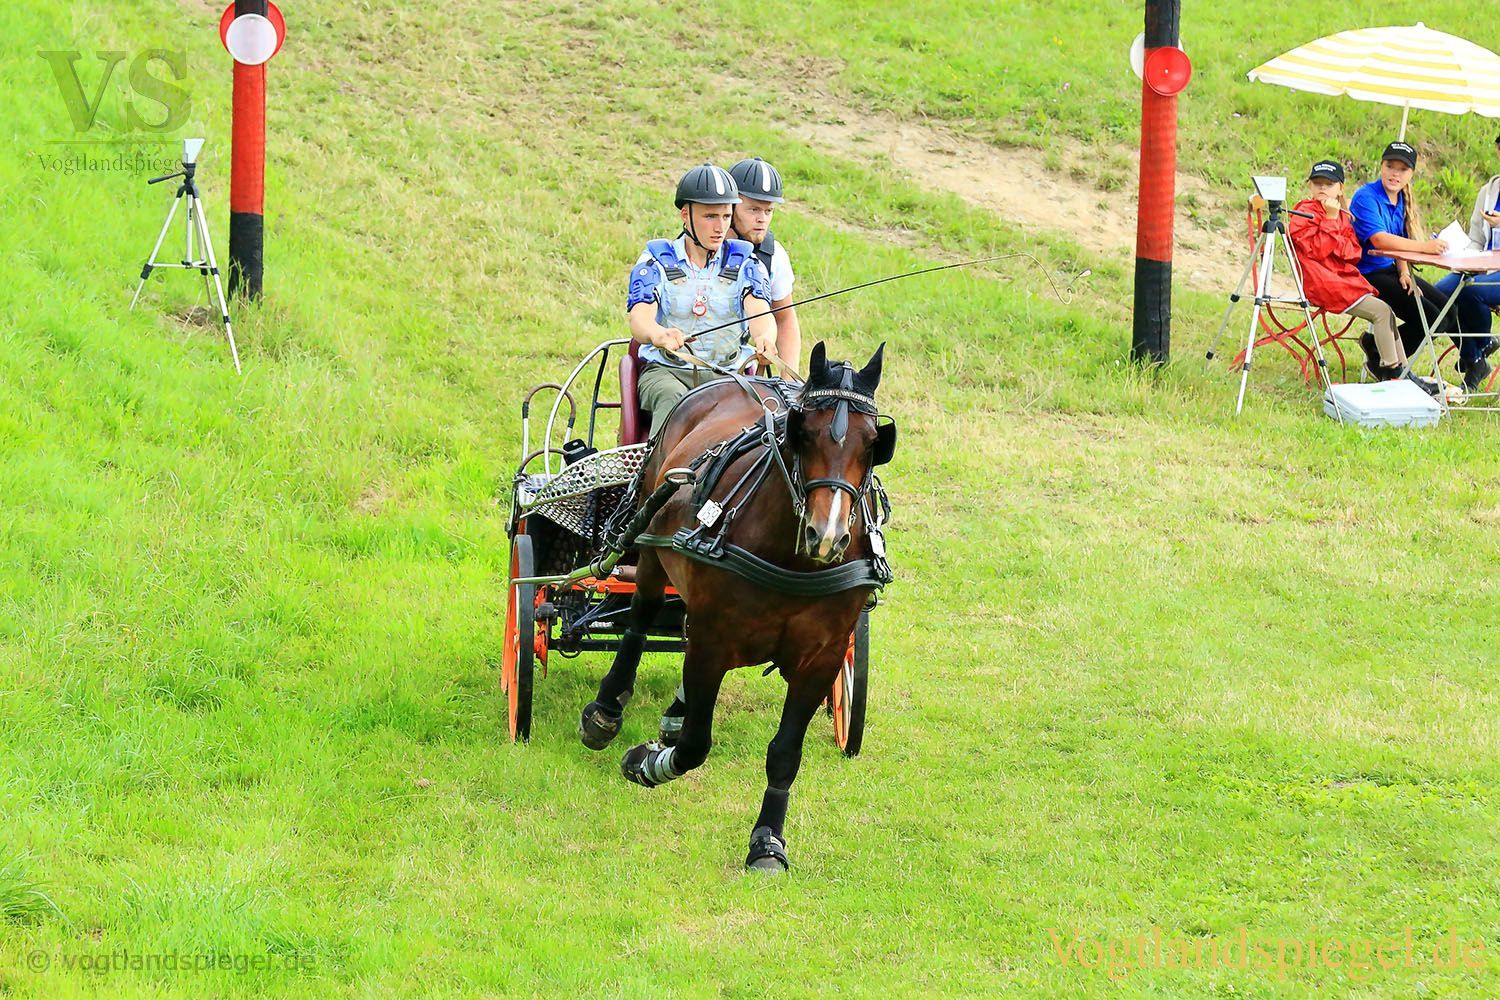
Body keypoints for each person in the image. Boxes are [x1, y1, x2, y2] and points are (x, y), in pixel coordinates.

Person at [627, 163, 775, 437]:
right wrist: (658, 334)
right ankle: (662, 478)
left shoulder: (745, 263)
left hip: (728, 376)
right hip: (667, 372)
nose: (720, 227)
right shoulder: (656, 260)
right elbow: (639, 319)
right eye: (710, 216)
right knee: (674, 399)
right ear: (686, 215)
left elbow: (760, 311)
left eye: (726, 217)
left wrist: (765, 338)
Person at [1349, 141, 1491, 391]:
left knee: (1448, 312)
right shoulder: (1366, 197)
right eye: (1390, 166)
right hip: (1366, 272)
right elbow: (1380, 239)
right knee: (1432, 317)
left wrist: (1404, 271)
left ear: (1411, 174)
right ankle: (1387, 362)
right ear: (1380, 167)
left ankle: (1376, 347)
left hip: (1391, 270)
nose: (1395, 173)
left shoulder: (1401, 199)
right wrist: (1423, 247)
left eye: (1402, 169)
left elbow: (1398, 240)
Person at [1289, 159, 1409, 381]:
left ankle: (1404, 372)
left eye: (1329, 184)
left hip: (1342, 279)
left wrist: (1335, 226)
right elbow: (1319, 252)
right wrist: (1332, 221)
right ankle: (1393, 373)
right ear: (1310, 186)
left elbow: (1352, 253)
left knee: (1386, 311)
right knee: (1381, 312)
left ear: (1340, 188)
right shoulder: (1303, 213)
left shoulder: (1343, 215)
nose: (1323, 188)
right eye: (1318, 183)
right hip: (1321, 282)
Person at [1431, 132, 1500, 385]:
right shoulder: (1489, 190)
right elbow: (1476, 235)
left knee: (1471, 292)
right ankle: (1476, 357)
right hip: (1482, 265)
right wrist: (1466, 255)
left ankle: (1477, 348)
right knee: (1438, 294)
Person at [727, 157, 801, 366]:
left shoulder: (773, 256)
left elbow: (785, 319)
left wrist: (790, 384)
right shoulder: (697, 247)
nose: (762, 219)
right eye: (753, 210)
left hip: (739, 363)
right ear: (730, 207)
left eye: (768, 211)